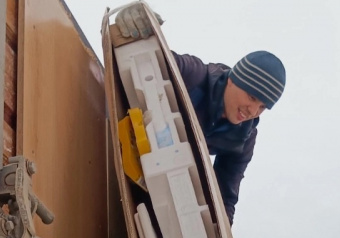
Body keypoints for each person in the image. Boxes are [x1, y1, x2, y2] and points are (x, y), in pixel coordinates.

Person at [115, 5, 285, 223]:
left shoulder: (244, 137)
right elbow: (144, 58)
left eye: (262, 107)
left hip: (156, 183)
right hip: (124, 145)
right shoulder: (194, 76)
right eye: (252, 98)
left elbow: (226, 195)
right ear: (233, 79)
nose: (253, 111)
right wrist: (131, 22)